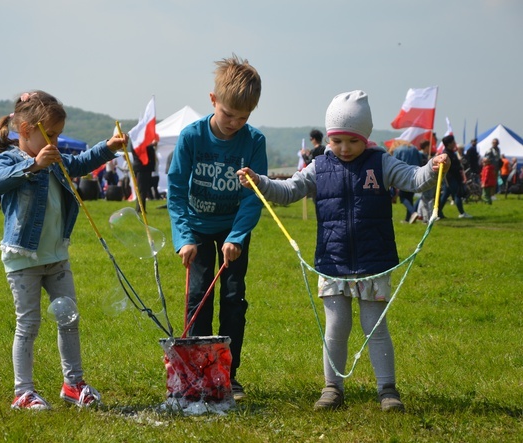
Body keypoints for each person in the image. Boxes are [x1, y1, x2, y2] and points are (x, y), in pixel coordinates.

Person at [238, 90, 449, 412]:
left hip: (373, 262)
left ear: (365, 137)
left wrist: (433, 168)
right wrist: (260, 181)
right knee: (336, 329)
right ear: (329, 139)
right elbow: (288, 191)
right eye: (337, 141)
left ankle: (387, 390)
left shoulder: (381, 163)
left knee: (375, 328)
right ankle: (332, 388)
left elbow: (414, 179)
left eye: (352, 141)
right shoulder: (318, 167)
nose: (344, 148)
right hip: (332, 262)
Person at [0, 90, 128, 410]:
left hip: (57, 257)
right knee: (29, 324)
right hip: (23, 259)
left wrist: (108, 147)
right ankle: (23, 391)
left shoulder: (53, 157)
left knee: (69, 320)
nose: (55, 142)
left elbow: (79, 163)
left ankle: (73, 384)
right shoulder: (12, 159)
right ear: (25, 131)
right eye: (50, 135)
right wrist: (34, 166)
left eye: (58, 135)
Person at [167, 55, 267, 401]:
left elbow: (254, 196)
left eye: (244, 117)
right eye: (228, 114)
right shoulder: (191, 137)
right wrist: (183, 239)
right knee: (199, 298)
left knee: (233, 300)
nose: (235, 123)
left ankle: (227, 374)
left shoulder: (254, 142)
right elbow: (176, 188)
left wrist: (237, 236)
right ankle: (198, 374)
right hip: (196, 228)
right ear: (213, 101)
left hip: (233, 230)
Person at [437, 135, 472, 219]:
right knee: (457, 195)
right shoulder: (446, 154)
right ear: (449, 144)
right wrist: (458, 166)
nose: (454, 143)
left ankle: (438, 213)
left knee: (445, 196)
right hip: (450, 178)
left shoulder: (451, 152)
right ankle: (462, 213)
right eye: (453, 142)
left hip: (453, 178)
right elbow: (449, 167)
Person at [392, 143, 422, 223]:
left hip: (404, 175)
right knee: (409, 197)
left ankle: (413, 213)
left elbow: (394, 164)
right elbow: (420, 161)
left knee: (402, 197)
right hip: (415, 174)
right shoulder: (414, 149)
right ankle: (408, 219)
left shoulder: (398, 150)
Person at [132, 139, 157, 213]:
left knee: (142, 189)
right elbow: (142, 151)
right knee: (142, 189)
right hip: (142, 168)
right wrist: (151, 145)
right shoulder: (137, 143)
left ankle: (140, 208)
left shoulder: (137, 142)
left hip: (142, 168)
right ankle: (140, 209)